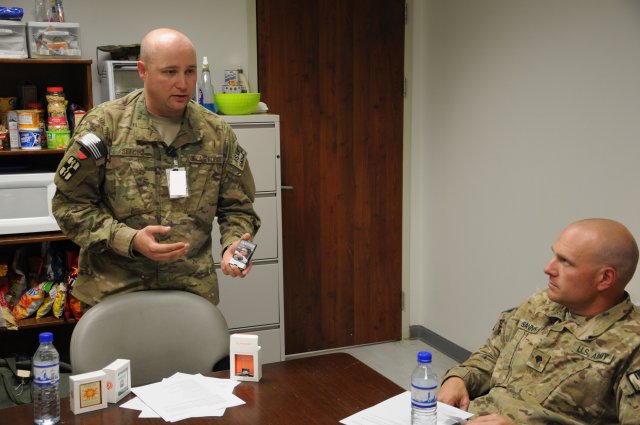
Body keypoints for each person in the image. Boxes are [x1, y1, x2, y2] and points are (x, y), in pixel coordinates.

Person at [52, 28, 260, 307]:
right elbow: (70, 206)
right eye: (170, 72)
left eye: (190, 71)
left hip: (190, 292)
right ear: (143, 70)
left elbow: (238, 208)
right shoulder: (104, 126)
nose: (183, 84)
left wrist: (235, 244)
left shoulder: (216, 132)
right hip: (115, 292)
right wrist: (131, 239)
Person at [437, 218, 640, 424]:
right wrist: (459, 378)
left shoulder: (632, 345)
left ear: (605, 278)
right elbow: (493, 354)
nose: (548, 268)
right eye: (554, 255)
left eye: (566, 262)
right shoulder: (540, 305)